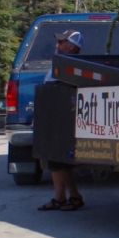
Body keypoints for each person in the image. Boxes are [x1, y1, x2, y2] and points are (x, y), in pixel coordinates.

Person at [37, 30, 85, 211]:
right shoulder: (61, 63)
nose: (57, 45)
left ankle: (64, 198)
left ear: (72, 46)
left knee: (58, 161)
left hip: (61, 119)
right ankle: (70, 197)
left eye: (62, 42)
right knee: (58, 161)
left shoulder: (72, 67)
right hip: (54, 117)